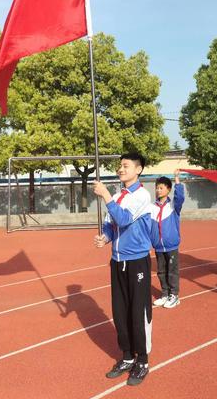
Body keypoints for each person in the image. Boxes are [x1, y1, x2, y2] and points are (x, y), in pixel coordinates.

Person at [93, 152, 152, 386]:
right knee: (120, 312)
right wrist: (105, 238)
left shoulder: (141, 195)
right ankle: (127, 356)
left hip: (137, 261)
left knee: (138, 313)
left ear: (138, 170)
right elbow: (111, 224)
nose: (121, 168)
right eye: (120, 165)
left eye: (126, 165)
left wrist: (106, 195)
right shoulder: (117, 196)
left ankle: (143, 361)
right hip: (117, 261)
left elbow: (125, 219)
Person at [151, 169, 185, 309]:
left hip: (171, 245)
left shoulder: (173, 206)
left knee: (172, 271)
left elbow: (180, 197)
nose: (158, 190)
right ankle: (165, 293)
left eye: (161, 188)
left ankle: (174, 295)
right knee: (161, 271)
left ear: (168, 189)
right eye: (157, 188)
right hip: (158, 246)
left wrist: (177, 179)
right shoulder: (152, 207)